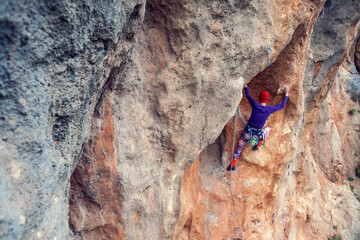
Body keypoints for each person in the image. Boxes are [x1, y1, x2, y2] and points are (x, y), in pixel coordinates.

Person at [227, 84, 289, 171]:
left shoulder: (255, 105)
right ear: (267, 100)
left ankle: (232, 165)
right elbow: (281, 105)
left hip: (247, 134)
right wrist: (286, 94)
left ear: (260, 99)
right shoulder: (269, 109)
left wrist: (246, 87)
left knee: (239, 148)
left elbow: (248, 96)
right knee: (268, 129)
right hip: (257, 135)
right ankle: (257, 145)